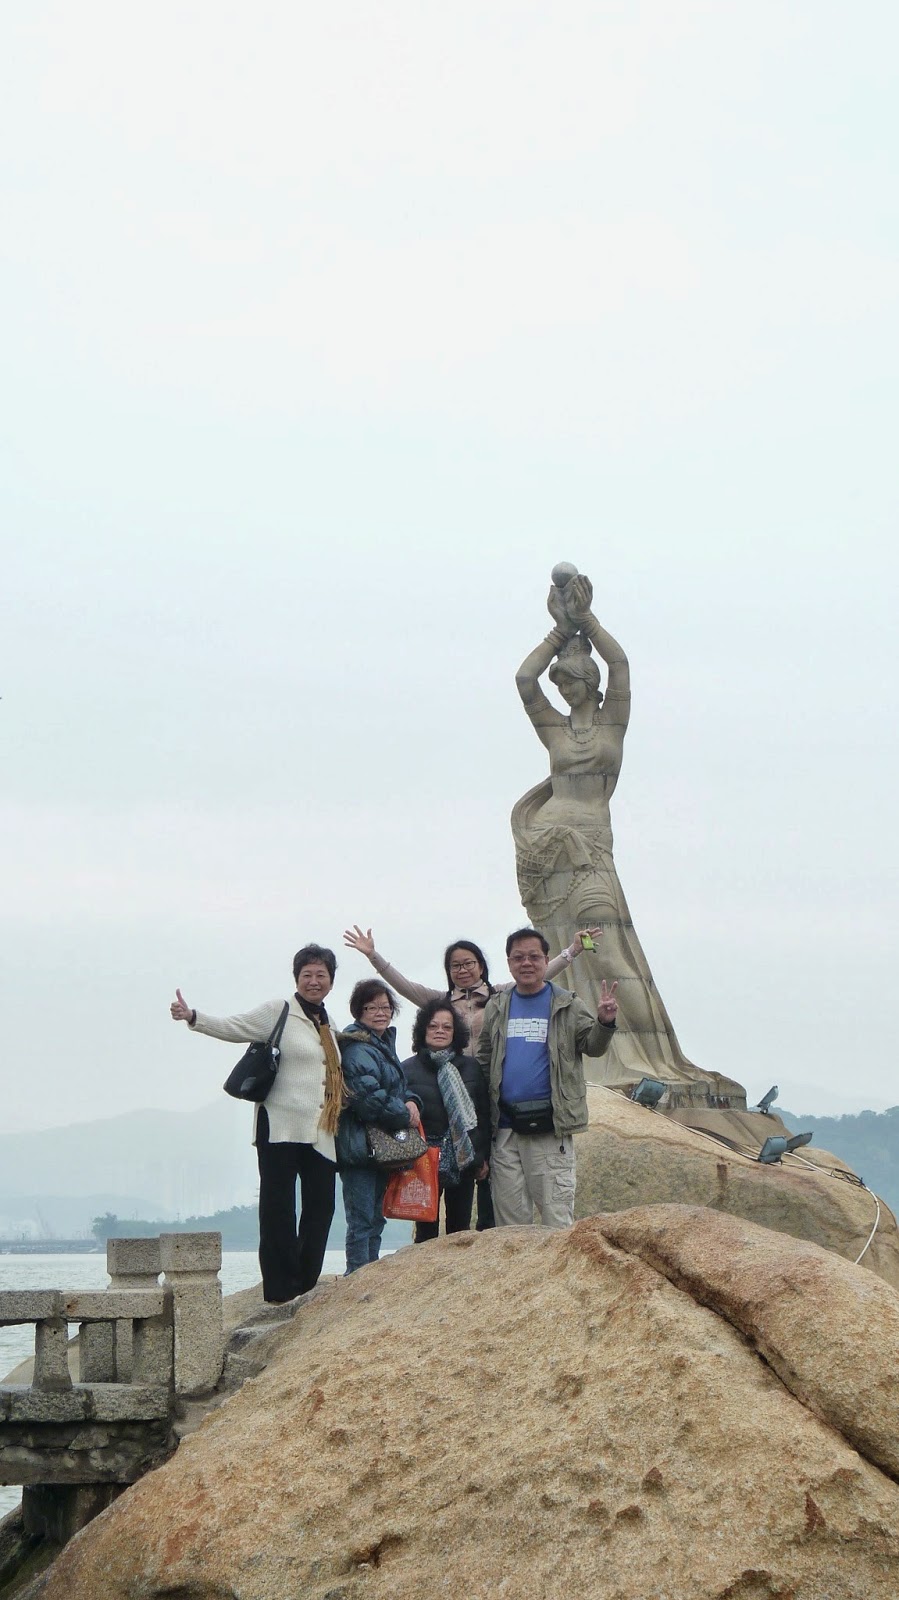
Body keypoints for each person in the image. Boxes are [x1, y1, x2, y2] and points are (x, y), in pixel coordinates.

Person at [511, 569, 743, 1107]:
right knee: (568, 949)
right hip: (549, 853)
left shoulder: (613, 721)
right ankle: (597, 1054)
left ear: (588, 682)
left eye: (571, 681)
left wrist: (586, 621)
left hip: (592, 852)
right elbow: (524, 679)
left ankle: (647, 1056)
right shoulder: (554, 729)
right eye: (560, 684)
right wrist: (558, 632)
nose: (563, 689)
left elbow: (621, 664)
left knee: (607, 951)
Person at [342, 922, 602, 1231]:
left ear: (481, 965)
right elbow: (405, 987)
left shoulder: (499, 996)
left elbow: (536, 973)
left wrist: (572, 951)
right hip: (453, 1091)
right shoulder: (441, 1003)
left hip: (486, 1089)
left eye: (469, 963)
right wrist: (374, 956)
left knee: (491, 1179)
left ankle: (487, 1230)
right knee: (476, 1185)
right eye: (455, 965)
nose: (463, 970)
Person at [170, 943, 343, 1303]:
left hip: (320, 1130)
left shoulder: (328, 1024)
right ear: (296, 978)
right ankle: (280, 1289)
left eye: (321, 975)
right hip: (279, 1123)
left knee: (321, 1207)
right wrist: (194, 1017)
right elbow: (235, 1027)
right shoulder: (279, 1011)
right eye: (307, 974)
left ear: (331, 980)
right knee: (278, 1208)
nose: (314, 981)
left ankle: (305, 1282)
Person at [476, 926, 619, 1229]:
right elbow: (485, 1060)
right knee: (510, 1225)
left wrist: (605, 1022)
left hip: (549, 1128)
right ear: (509, 962)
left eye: (533, 957)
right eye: (518, 958)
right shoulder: (497, 1006)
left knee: (556, 1219)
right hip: (505, 1129)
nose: (526, 963)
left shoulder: (567, 1004)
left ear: (545, 959)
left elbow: (592, 1046)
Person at [336, 979, 423, 1273]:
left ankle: (368, 1274)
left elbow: (397, 1087)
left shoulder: (381, 1044)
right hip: (359, 1147)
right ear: (358, 1011)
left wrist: (412, 1101)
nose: (380, 1013)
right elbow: (367, 1097)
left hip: (377, 1147)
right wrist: (404, 1114)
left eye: (385, 1007)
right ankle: (357, 1276)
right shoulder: (356, 1048)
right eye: (371, 1007)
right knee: (362, 1219)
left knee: (374, 1217)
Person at [401, 999, 491, 1244]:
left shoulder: (470, 1067)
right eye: (433, 1026)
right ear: (423, 1030)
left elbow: (483, 1115)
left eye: (447, 1027)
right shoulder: (407, 1069)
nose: (439, 1031)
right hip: (423, 1158)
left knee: (460, 1230)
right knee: (425, 1230)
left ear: (455, 1032)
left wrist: (482, 1157)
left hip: (463, 1155)